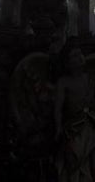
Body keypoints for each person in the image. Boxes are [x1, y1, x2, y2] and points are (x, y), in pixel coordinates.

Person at [56, 44, 95, 182]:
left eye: (80, 53)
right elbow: (58, 108)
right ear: (67, 63)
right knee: (75, 160)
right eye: (74, 55)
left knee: (90, 159)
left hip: (90, 123)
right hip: (73, 128)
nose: (79, 57)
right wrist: (58, 128)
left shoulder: (90, 77)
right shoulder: (63, 82)